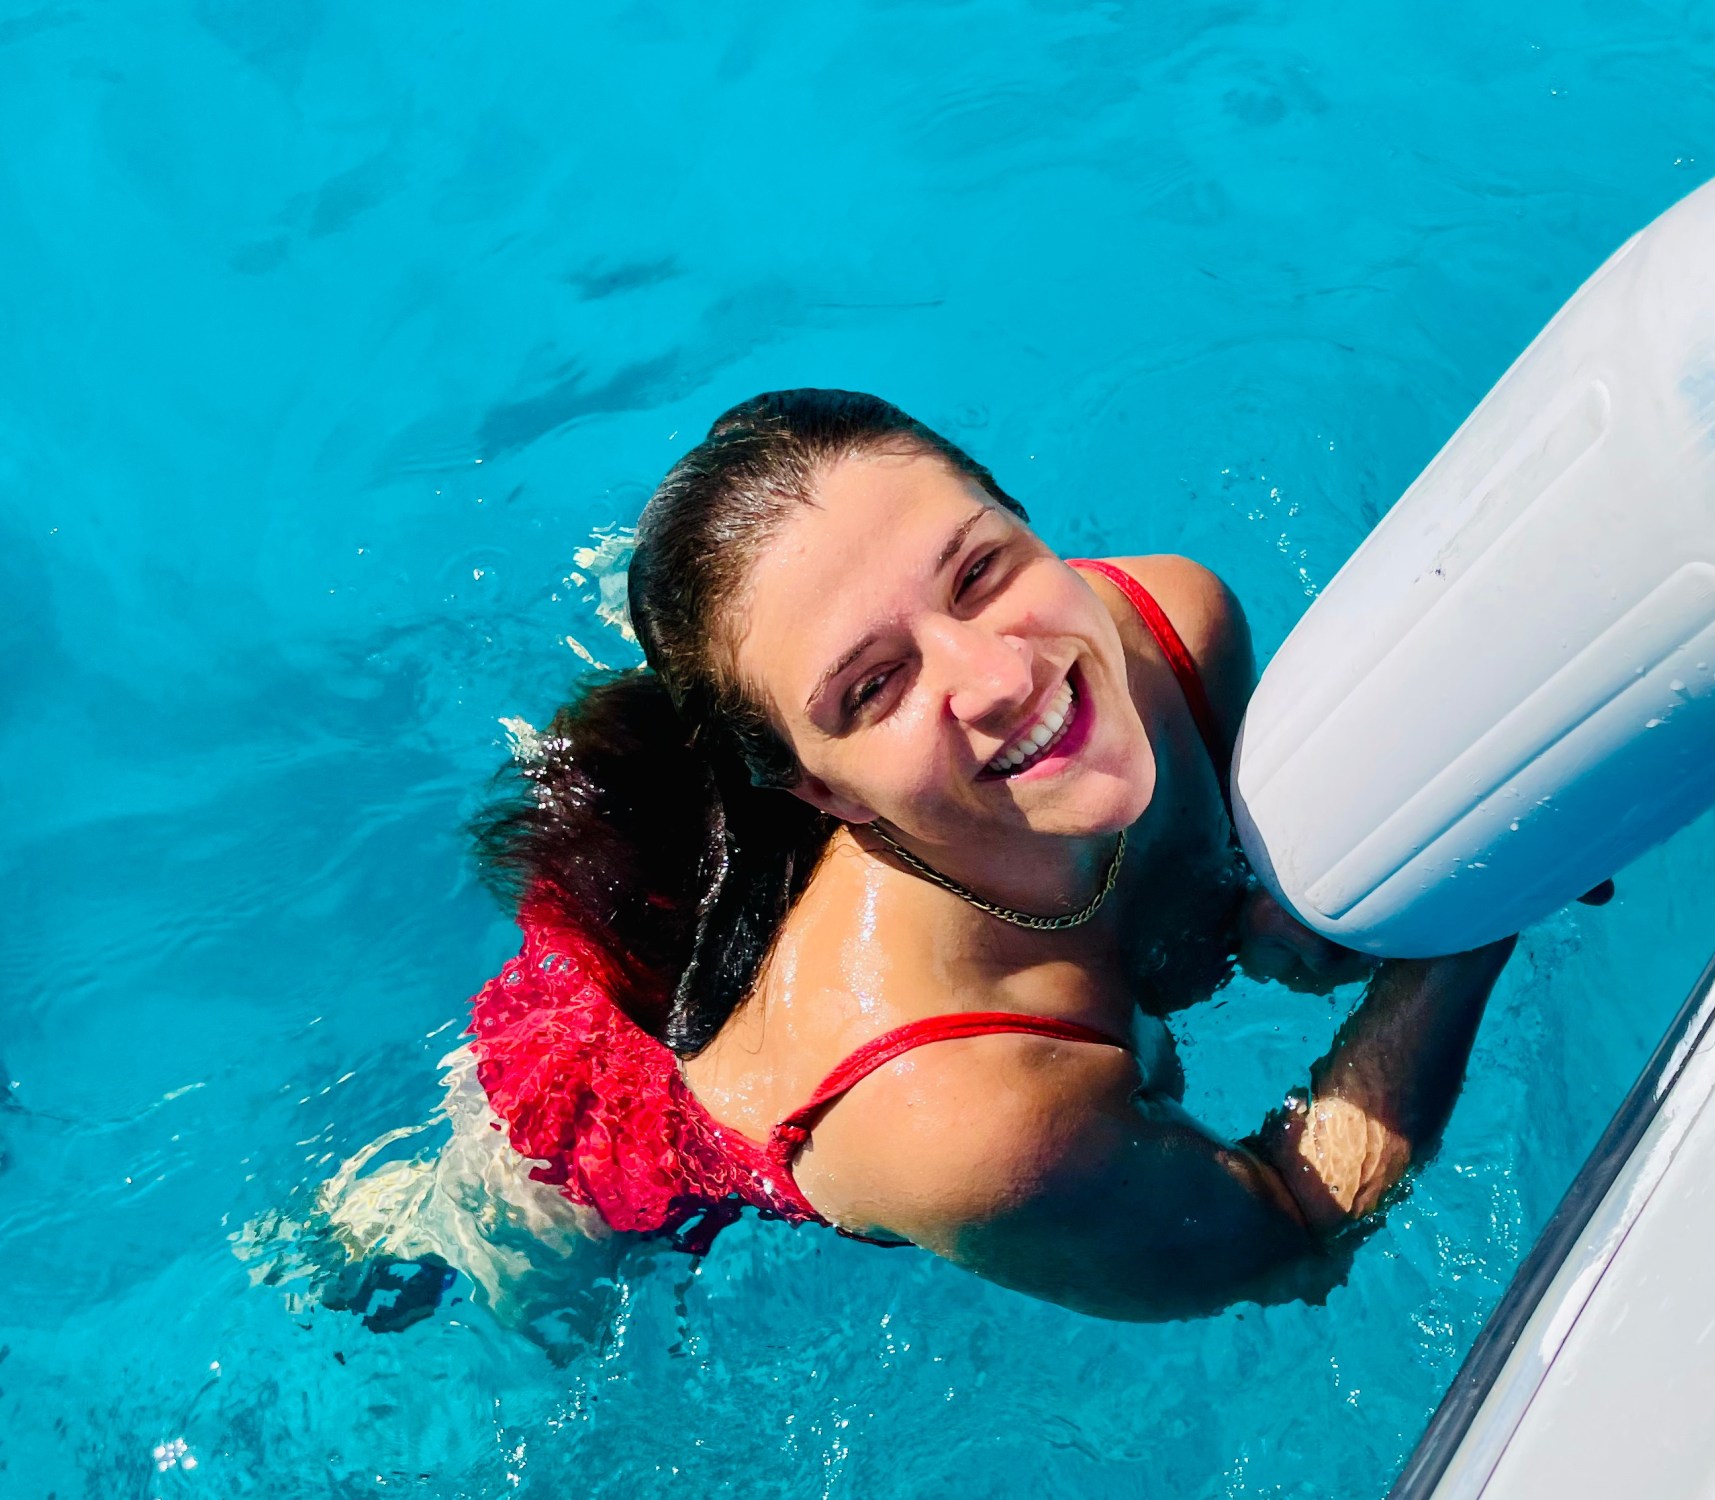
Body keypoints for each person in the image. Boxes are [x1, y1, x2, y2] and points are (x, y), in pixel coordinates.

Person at [462, 388, 1516, 1321]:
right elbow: (1283, 1237)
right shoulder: (963, 1119)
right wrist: (1484, 896)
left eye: (976, 571)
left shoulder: (1169, 627)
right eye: (874, 685)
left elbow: (1233, 908)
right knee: (456, 1279)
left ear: (1025, 521)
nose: (1000, 676)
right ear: (818, 788)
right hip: (624, 1110)